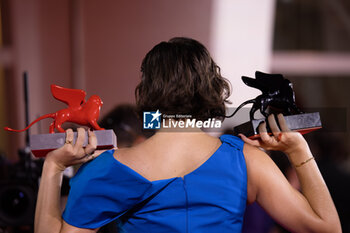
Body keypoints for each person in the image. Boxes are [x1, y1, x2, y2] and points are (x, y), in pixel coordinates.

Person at [34, 37, 341, 233]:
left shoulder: (105, 170)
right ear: (212, 91)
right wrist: (298, 150)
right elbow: (328, 229)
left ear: (147, 94)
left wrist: (53, 167)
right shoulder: (246, 159)